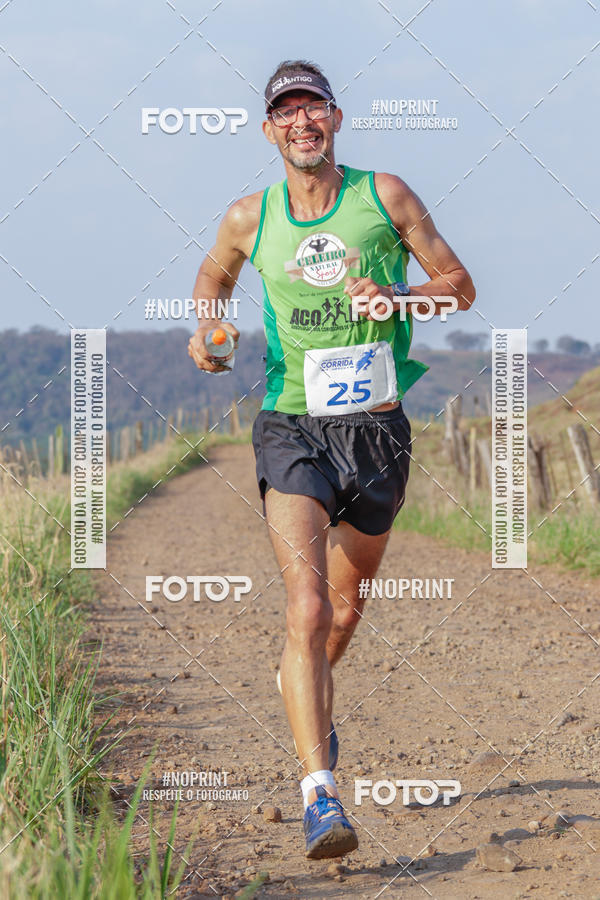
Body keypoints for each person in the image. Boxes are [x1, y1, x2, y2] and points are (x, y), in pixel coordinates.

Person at [188, 59, 475, 859]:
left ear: (336, 120)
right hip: (293, 425)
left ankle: (302, 692)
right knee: (307, 610)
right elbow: (215, 272)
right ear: (272, 128)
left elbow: (460, 285)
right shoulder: (251, 215)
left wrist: (402, 299)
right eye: (287, 112)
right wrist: (208, 328)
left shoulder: (384, 196)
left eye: (314, 108)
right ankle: (321, 796)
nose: (302, 122)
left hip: (378, 431)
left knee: (343, 615)